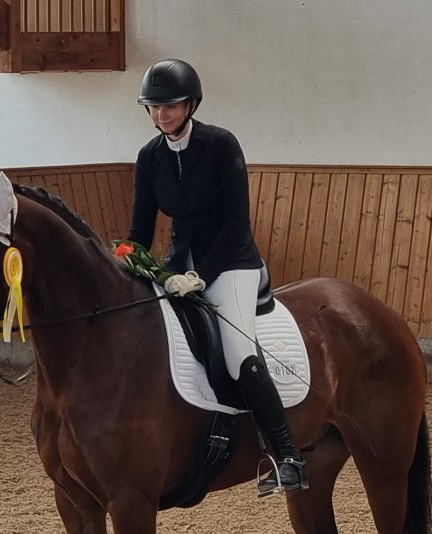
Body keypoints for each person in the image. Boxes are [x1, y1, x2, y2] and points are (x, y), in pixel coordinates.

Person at [126, 58, 307, 496]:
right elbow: (138, 231)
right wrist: (129, 259)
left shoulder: (222, 145)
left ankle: (287, 457)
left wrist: (199, 276)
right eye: (153, 107)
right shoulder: (150, 157)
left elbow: (236, 224)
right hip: (175, 266)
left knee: (238, 353)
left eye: (169, 106)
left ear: (191, 104)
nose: (160, 115)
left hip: (232, 264)